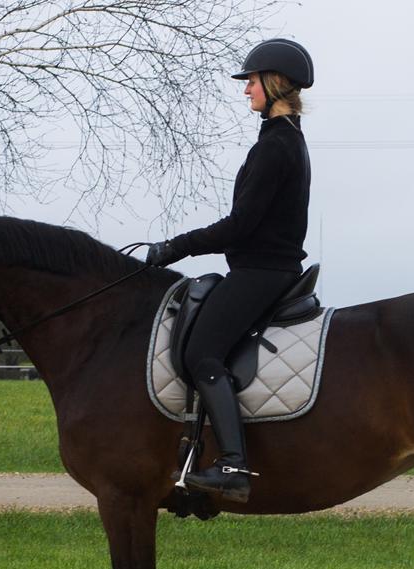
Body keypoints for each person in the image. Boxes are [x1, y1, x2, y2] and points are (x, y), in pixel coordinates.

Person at [147, 38, 314, 503]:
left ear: (274, 83)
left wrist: (176, 247)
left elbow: (241, 225)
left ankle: (234, 466)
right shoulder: (284, 140)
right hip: (266, 266)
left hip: (263, 270)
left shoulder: (276, 147)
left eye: (251, 82)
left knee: (202, 355)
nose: (246, 91)